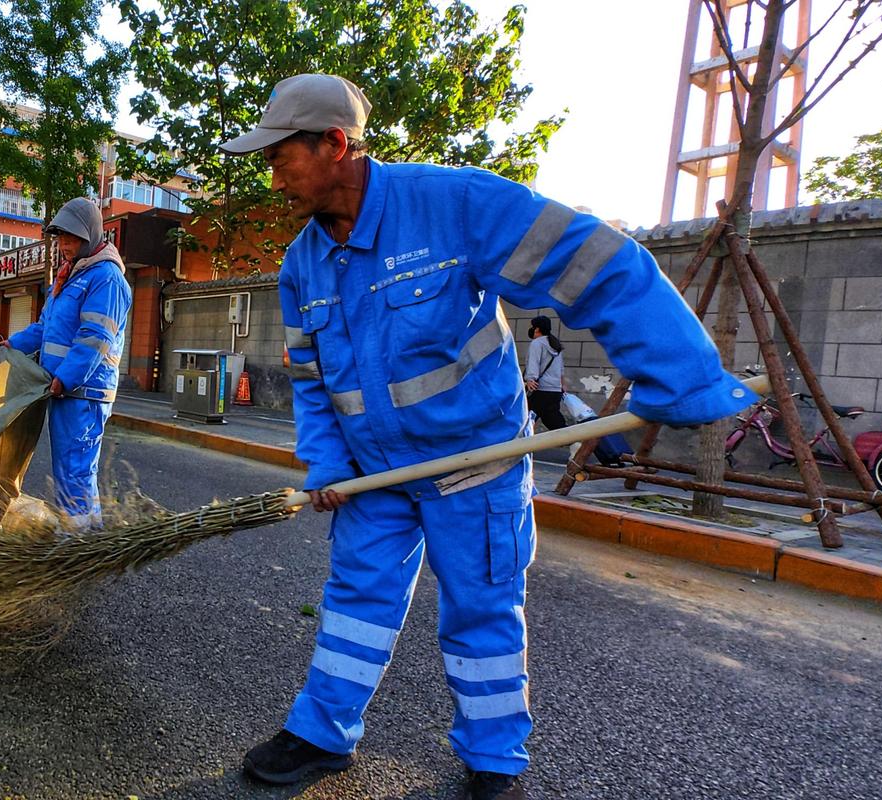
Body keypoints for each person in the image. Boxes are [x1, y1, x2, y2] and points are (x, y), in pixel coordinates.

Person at [218, 74, 756, 799]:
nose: (272, 174)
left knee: (480, 608)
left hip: (475, 463)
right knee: (354, 600)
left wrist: (680, 374)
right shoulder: (302, 263)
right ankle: (322, 733)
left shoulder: (455, 204)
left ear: (334, 144)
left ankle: (495, 760)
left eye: (280, 156)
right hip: (373, 475)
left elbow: (598, 262)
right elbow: (315, 383)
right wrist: (325, 463)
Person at [3, 198, 132, 530]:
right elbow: (45, 329)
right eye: (60, 238)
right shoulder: (70, 277)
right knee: (69, 465)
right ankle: (86, 536)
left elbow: (95, 337)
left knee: (75, 465)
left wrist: (67, 378)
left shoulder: (106, 278)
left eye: (71, 238)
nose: (63, 245)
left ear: (89, 235)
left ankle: (75, 538)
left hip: (84, 391)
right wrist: (11, 345)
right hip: (63, 387)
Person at [523, 315, 568, 430]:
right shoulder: (555, 345)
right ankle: (573, 441)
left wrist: (530, 380)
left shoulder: (537, 343)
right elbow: (561, 368)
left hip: (539, 389)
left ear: (537, 329)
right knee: (553, 421)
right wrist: (562, 384)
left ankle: (519, 445)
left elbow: (533, 363)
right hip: (555, 390)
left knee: (525, 418)